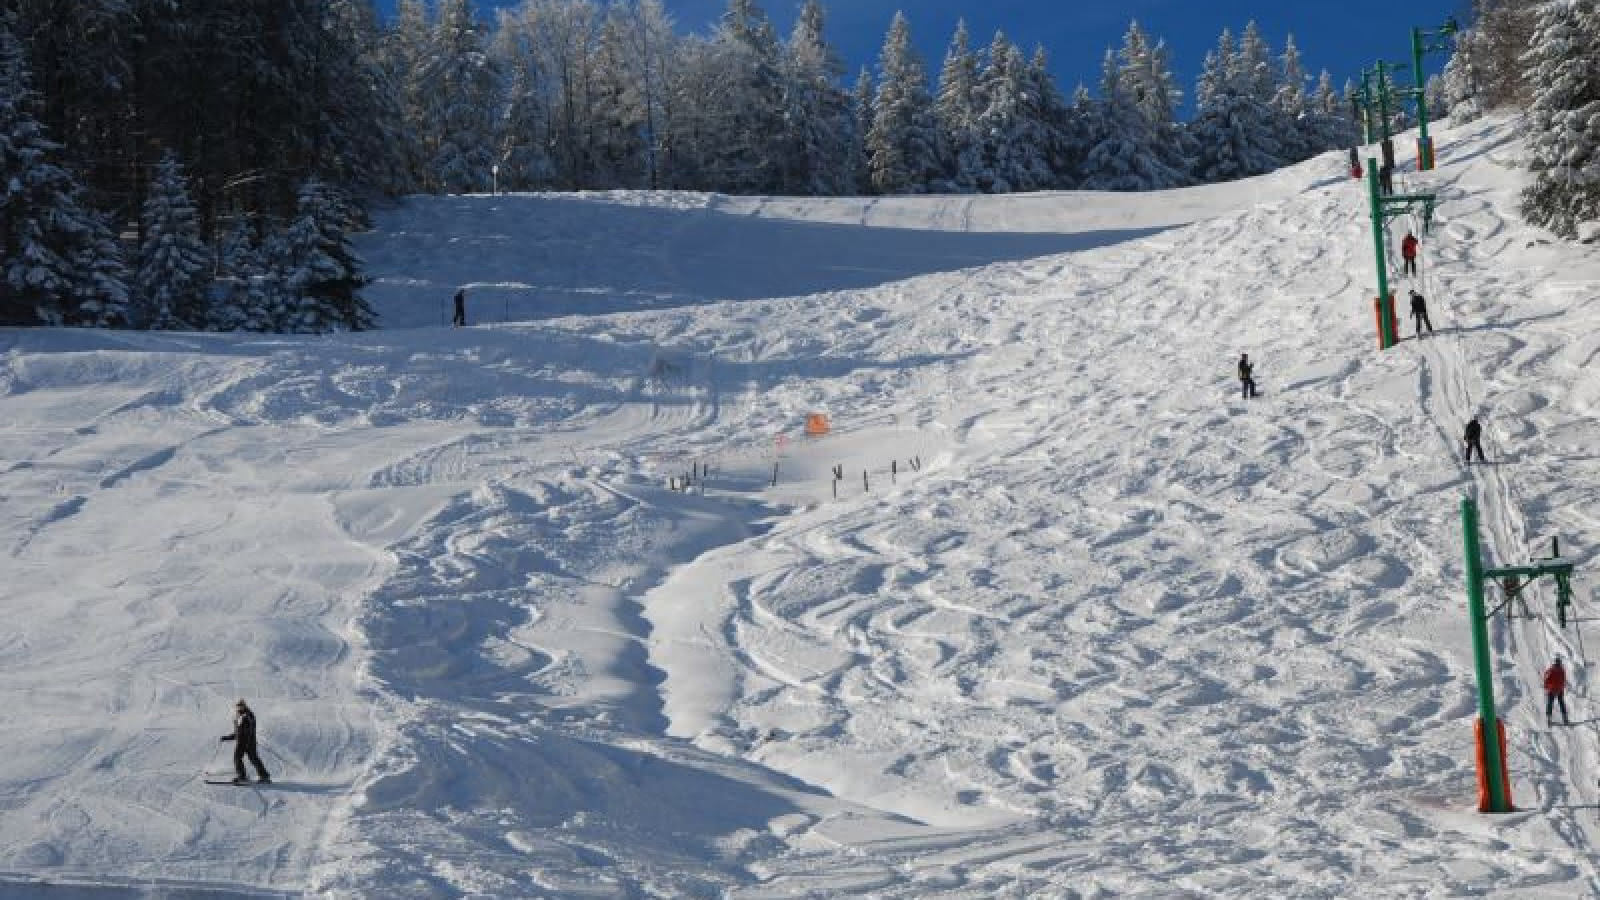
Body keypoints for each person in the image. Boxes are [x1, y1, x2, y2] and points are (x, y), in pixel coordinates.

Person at [220, 699, 271, 784]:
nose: (239, 707)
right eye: (238, 706)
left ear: (244, 705)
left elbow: (249, 730)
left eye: (241, 705)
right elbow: (238, 733)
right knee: (242, 758)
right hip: (242, 742)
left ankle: (254, 776)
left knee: (247, 758)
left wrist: (248, 741)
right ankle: (249, 775)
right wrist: (227, 737)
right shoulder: (239, 716)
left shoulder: (248, 716)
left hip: (247, 742)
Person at [1545, 657, 1570, 726]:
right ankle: (1564, 718)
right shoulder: (1560, 670)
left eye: (1559, 663)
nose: (1559, 664)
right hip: (1557, 690)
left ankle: (1549, 718)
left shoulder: (1552, 670)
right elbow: (1563, 680)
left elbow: (1546, 678)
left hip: (1554, 689)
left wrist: (1546, 686)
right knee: (1560, 703)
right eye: (1558, 663)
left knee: (1551, 703)